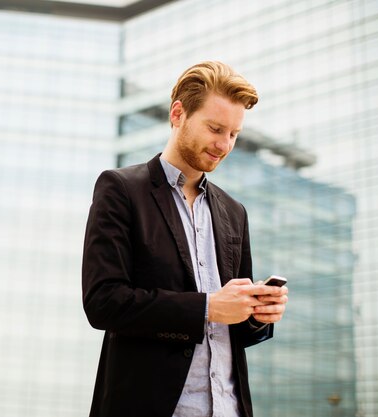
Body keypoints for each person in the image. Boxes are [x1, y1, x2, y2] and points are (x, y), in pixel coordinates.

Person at [81, 61, 289, 417]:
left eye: (234, 134)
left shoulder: (234, 212)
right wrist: (208, 307)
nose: (224, 145)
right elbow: (103, 302)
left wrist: (257, 314)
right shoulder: (121, 190)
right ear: (178, 113)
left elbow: (233, 331)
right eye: (215, 128)